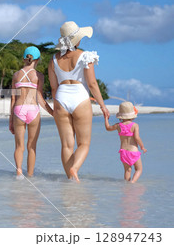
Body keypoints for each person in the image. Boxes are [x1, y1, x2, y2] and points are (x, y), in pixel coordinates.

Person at [48, 21, 110, 182]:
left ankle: (70, 179)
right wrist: (103, 106)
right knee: (84, 144)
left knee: (67, 145)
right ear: (77, 39)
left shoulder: (53, 60)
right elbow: (92, 84)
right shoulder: (85, 56)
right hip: (80, 98)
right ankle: (74, 169)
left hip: (61, 98)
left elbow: (53, 88)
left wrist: (56, 107)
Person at [9, 46, 53, 179]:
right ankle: (30, 175)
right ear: (38, 60)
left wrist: (11, 120)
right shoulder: (39, 76)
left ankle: (18, 173)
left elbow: (13, 98)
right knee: (31, 146)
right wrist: (53, 113)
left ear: (24, 58)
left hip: (18, 109)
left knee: (19, 146)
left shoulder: (16, 75)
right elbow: (39, 98)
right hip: (33, 110)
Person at [105, 102, 147, 183]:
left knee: (127, 171)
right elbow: (137, 138)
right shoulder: (135, 125)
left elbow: (108, 128)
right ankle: (132, 183)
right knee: (139, 170)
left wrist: (106, 118)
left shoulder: (118, 125)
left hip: (123, 152)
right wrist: (142, 147)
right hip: (133, 152)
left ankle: (127, 186)